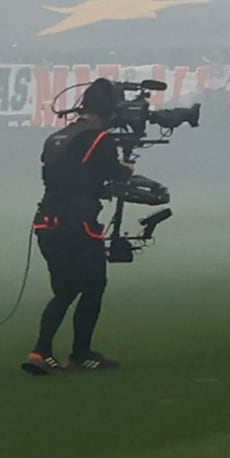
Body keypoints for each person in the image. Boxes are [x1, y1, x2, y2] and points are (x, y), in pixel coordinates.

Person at [24, 76, 149, 377]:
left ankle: (41, 351)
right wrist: (126, 167)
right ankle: (80, 354)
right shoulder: (98, 139)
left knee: (65, 291)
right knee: (93, 287)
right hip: (77, 225)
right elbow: (113, 174)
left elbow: (68, 174)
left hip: (47, 223)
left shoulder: (58, 137)